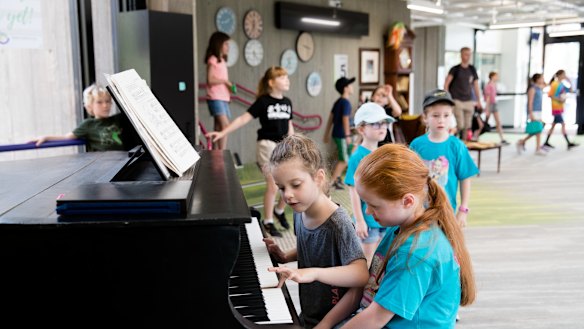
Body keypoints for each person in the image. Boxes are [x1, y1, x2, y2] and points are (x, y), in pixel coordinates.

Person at [333, 143, 476, 328]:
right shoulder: (401, 227)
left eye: (374, 205)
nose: (367, 211)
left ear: (407, 201)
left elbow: (375, 318)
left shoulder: (414, 254)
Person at [262, 134, 369, 329]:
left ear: (318, 178)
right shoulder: (299, 211)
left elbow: (361, 275)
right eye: (281, 188)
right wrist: (286, 256)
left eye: (295, 185)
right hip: (310, 315)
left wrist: (326, 323)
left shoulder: (338, 223)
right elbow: (314, 248)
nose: (287, 195)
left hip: (337, 320)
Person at [206, 67, 293, 237]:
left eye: (287, 77)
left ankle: (279, 210)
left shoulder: (288, 102)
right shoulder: (263, 102)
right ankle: (268, 221)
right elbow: (242, 119)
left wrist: (294, 144)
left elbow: (290, 126)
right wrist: (223, 132)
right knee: (273, 185)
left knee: (290, 182)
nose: (287, 80)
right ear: (271, 82)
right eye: (282, 77)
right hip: (266, 146)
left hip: (284, 146)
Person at [410, 89, 479, 227]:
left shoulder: (457, 146)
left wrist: (463, 209)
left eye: (446, 115)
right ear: (425, 117)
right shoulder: (416, 145)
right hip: (419, 211)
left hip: (447, 212)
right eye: (435, 115)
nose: (441, 120)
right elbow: (409, 176)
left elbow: (465, 178)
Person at [344, 102, 395, 267]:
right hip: (368, 219)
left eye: (384, 123)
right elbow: (353, 191)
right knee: (367, 258)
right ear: (361, 129)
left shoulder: (384, 153)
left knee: (383, 257)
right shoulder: (358, 157)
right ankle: (365, 289)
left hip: (385, 218)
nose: (382, 127)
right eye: (375, 123)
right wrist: (359, 220)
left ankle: (376, 288)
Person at [32, 83, 126, 152]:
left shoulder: (119, 119)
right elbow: (67, 137)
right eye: (99, 102)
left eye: (108, 101)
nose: (105, 105)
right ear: (90, 106)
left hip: (124, 163)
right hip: (105, 167)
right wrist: (46, 137)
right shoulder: (88, 124)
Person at [444, 47, 483, 141]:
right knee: (460, 125)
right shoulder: (455, 69)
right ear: (461, 55)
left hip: (469, 100)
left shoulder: (472, 69)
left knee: (467, 126)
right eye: (466, 54)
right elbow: (446, 84)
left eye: (469, 54)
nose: (468, 56)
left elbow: (476, 85)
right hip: (457, 100)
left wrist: (478, 100)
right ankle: (452, 140)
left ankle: (464, 145)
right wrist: (448, 99)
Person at [205, 31, 236, 150]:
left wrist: (228, 89)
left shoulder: (222, 61)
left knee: (218, 128)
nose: (228, 47)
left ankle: (214, 152)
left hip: (223, 98)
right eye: (226, 44)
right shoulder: (213, 59)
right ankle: (221, 153)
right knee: (225, 126)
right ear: (219, 44)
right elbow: (210, 79)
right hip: (215, 97)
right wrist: (225, 81)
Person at [323, 77, 356, 190]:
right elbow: (345, 119)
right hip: (342, 135)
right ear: (345, 88)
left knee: (344, 157)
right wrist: (347, 135)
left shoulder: (338, 101)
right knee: (344, 159)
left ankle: (336, 179)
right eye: (350, 85)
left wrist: (326, 133)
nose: (352, 87)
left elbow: (330, 118)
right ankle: (332, 181)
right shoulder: (345, 102)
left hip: (337, 134)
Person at [543, 69, 579, 150]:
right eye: (563, 74)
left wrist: (569, 81)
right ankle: (568, 142)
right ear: (559, 75)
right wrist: (559, 99)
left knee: (553, 125)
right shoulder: (554, 84)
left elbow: (570, 90)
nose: (564, 76)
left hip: (560, 107)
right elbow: (550, 95)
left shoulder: (561, 84)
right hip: (556, 107)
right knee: (563, 124)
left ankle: (546, 142)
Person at [517, 73, 548, 156]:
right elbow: (530, 102)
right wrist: (530, 114)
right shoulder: (532, 89)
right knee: (538, 130)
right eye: (541, 78)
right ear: (537, 79)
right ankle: (537, 148)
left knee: (537, 131)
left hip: (538, 111)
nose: (543, 80)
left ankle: (522, 142)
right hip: (533, 112)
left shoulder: (539, 88)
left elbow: (546, 84)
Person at [483, 71, 508, 145]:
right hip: (489, 105)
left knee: (498, 122)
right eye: (496, 76)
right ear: (492, 76)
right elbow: (487, 97)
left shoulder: (494, 85)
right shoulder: (489, 85)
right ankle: (476, 136)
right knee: (484, 122)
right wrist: (487, 108)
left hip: (494, 104)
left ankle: (502, 138)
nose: (497, 77)